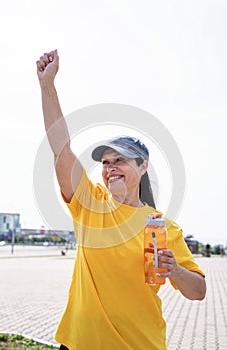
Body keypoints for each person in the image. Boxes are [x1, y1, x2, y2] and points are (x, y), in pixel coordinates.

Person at [36, 50, 206, 350]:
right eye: (105, 162)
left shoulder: (163, 227)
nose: (110, 167)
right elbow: (61, 149)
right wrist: (47, 86)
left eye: (121, 160)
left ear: (142, 167)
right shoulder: (90, 204)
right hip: (79, 343)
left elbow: (198, 290)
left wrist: (175, 271)